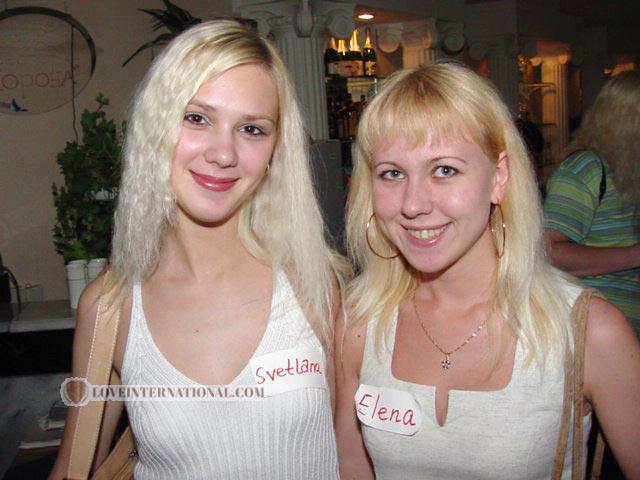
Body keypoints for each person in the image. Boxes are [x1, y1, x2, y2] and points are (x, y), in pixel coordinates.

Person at [50, 19, 342, 479]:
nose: (223, 153)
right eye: (197, 118)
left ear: (275, 151)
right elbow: (74, 467)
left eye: (252, 128)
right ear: (155, 126)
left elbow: (354, 453)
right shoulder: (110, 308)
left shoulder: (314, 284)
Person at [335, 62, 640, 479]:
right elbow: (352, 465)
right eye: (392, 173)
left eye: (444, 170)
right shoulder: (359, 322)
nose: (413, 204)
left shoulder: (587, 331)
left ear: (499, 177)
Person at [544, 71, 640, 336]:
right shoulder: (586, 168)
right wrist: (635, 255)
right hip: (594, 329)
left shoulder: (629, 172)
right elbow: (548, 252)